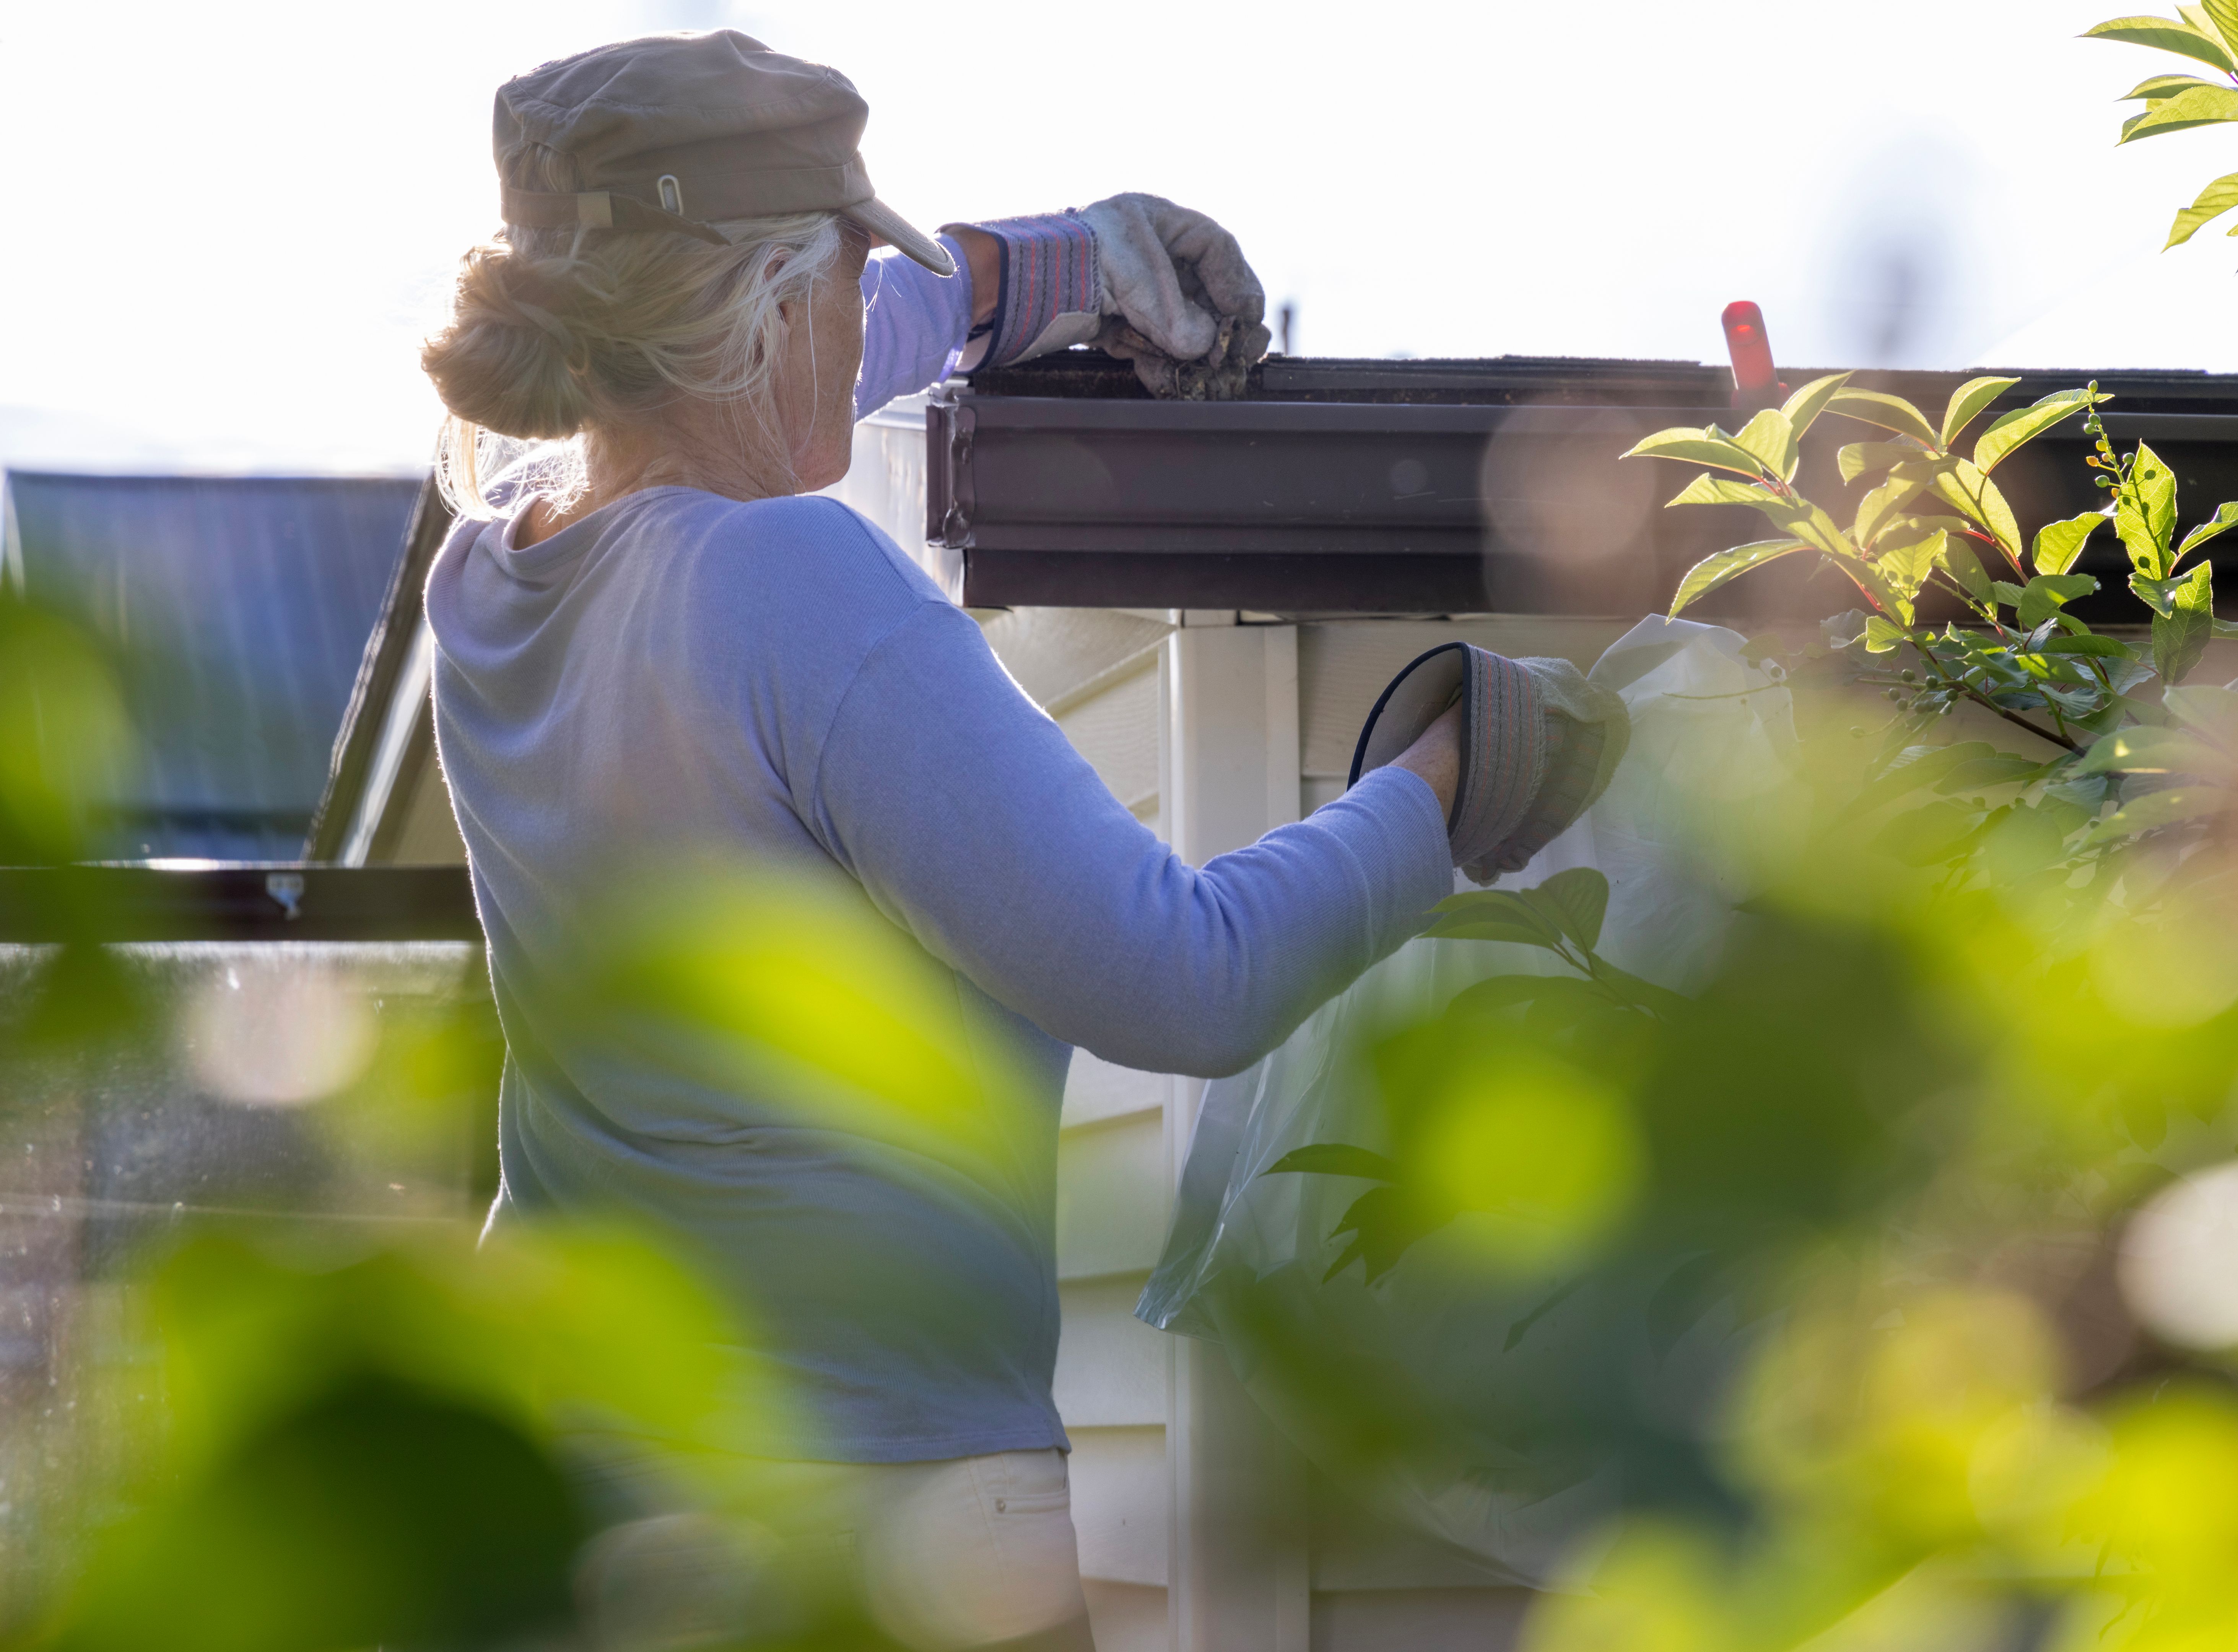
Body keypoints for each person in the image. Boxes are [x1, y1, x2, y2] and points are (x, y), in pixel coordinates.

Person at [418, 30, 1615, 1651]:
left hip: (576, 1489)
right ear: (767, 300)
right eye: (851, 272)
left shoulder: (492, 584)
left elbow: (731, 380)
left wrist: (1043, 271)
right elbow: (1183, 979)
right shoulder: (787, 581)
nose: (870, 315)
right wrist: (1449, 777)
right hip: (867, 1528)